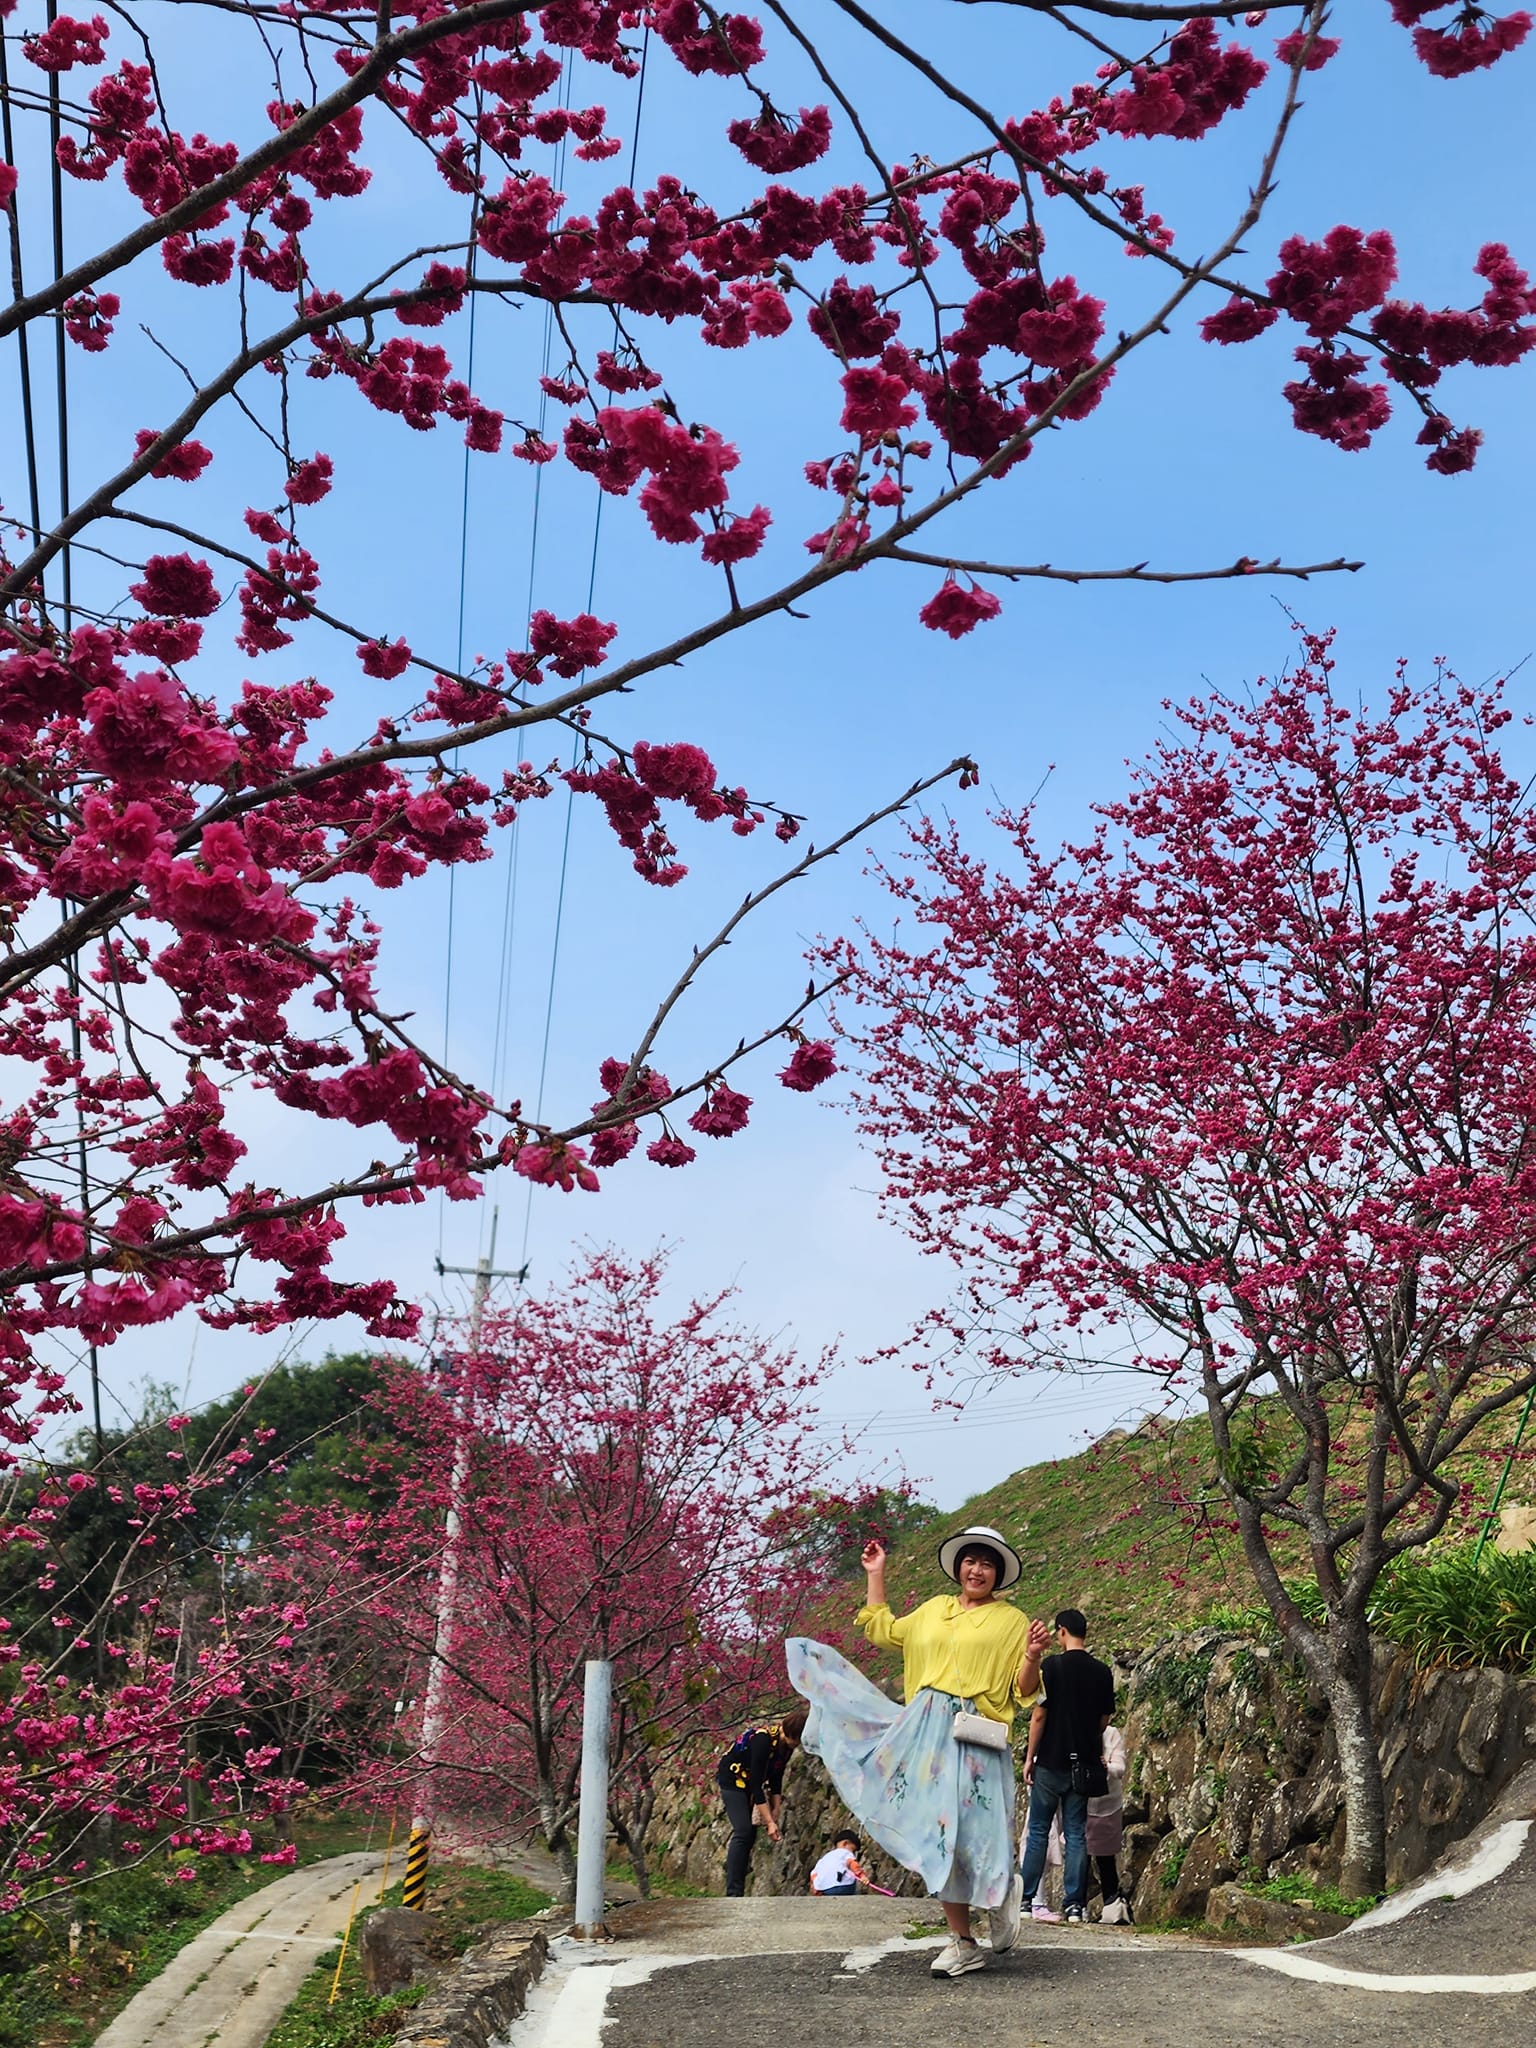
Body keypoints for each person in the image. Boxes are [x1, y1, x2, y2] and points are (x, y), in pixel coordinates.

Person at [787, 1523, 1048, 1980]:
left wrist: (1031, 1655)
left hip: (974, 1735)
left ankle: (1001, 1889)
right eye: (971, 1560)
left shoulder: (1012, 1621)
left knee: (976, 1834)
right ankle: (963, 1942)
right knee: (937, 1837)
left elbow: (1023, 1691)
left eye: (988, 1563)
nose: (978, 1569)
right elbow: (882, 1631)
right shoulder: (933, 1611)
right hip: (923, 1732)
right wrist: (876, 1573)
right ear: (958, 1566)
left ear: (999, 1573)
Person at [1018, 1608, 1115, 1928]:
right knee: (1076, 1835)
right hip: (1083, 1766)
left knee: (1038, 1832)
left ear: (1061, 1631)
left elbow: (1039, 1715)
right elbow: (1104, 1720)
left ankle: (1027, 1900)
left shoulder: (1052, 1666)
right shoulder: (1102, 1671)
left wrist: (1030, 1757)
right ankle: (1074, 1905)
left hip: (1050, 1762)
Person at [716, 1710, 806, 1897]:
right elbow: (756, 1785)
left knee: (749, 1836)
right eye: (796, 1740)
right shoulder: (763, 1740)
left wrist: (776, 1809)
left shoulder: (785, 1747)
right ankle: (733, 1893)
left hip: (749, 1783)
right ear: (790, 1733)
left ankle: (738, 1888)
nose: (797, 1745)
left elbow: (776, 1779)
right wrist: (770, 1822)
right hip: (732, 1779)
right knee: (743, 1831)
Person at [1090, 1723, 1133, 1923]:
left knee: (1105, 1858)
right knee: (1080, 1857)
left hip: (1108, 1805)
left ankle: (1112, 1907)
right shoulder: (1073, 1728)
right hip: (1081, 1803)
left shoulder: (1111, 1733)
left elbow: (1120, 1768)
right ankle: (1075, 1906)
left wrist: (1105, 1766)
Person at [809, 1829, 868, 1896]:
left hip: (825, 1889)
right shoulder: (845, 1852)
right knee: (851, 1874)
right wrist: (862, 1876)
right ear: (845, 1843)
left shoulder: (825, 1858)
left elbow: (813, 1874)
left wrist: (817, 1890)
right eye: (853, 1850)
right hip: (844, 1887)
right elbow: (853, 1864)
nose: (853, 1853)